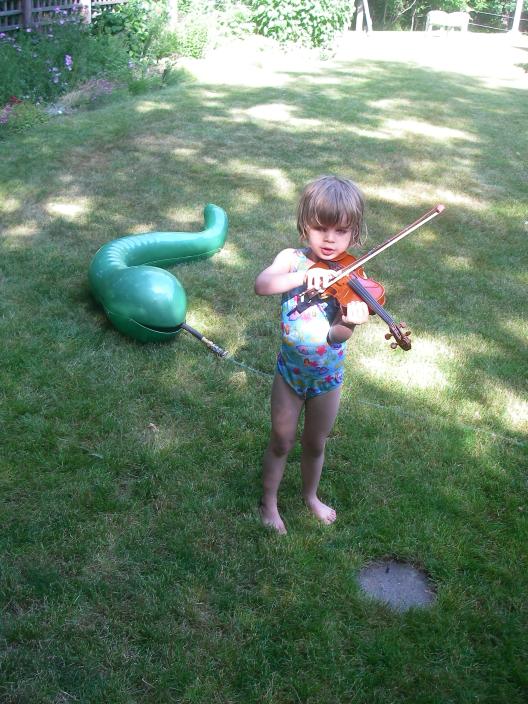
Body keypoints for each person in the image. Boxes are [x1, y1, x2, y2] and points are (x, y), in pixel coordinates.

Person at [254, 175, 370, 534]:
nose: (330, 239)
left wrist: (348, 322)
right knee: (281, 440)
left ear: (354, 234)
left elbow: (335, 337)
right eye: (321, 228)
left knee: (315, 443)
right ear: (305, 225)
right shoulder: (292, 260)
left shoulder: (351, 275)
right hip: (290, 374)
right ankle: (269, 502)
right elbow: (262, 284)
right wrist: (302, 279)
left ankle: (310, 496)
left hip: (327, 378)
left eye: (341, 231)